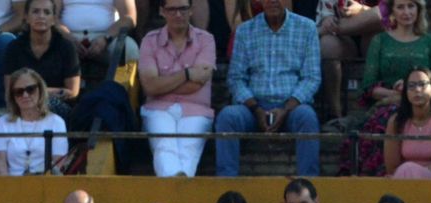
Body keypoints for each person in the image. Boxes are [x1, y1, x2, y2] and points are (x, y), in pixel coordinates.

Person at [336, 0, 431, 176]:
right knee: (388, 119)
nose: (406, 12)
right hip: (387, 103)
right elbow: (368, 87)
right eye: (400, 7)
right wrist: (399, 94)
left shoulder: (430, 41)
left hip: (423, 103)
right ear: (392, 11)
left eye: (411, 6)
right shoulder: (380, 41)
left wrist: (410, 91)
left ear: (419, 10)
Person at [214, 0, 321, 177]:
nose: (273, 1)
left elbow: (311, 78)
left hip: (292, 106)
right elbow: (236, 79)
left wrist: (286, 109)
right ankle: (226, 184)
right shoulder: (245, 31)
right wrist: (256, 109)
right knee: (227, 117)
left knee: (307, 117)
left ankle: (308, 184)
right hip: (252, 107)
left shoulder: (307, 28)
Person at [137, 0, 214, 177]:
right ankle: (179, 185)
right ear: (162, 12)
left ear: (191, 11)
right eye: (172, 10)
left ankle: (172, 187)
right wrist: (186, 74)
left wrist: (162, 84)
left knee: (189, 148)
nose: (178, 14)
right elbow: (149, 86)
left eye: (182, 9)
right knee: (163, 144)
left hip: (196, 109)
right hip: (158, 108)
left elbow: (199, 81)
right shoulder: (149, 41)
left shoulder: (206, 40)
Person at [1, 0, 81, 120]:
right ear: (26, 17)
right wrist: (41, 92)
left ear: (54, 19)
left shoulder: (66, 47)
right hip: (23, 102)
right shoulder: (14, 47)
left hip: (57, 108)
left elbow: (73, 91)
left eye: (47, 12)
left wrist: (36, 92)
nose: (41, 16)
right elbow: (10, 88)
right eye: (35, 11)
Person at [318, 0, 386, 122]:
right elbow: (325, 12)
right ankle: (336, 115)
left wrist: (362, 9)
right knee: (327, 45)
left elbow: (390, 10)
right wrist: (327, 18)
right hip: (345, 40)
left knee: (378, 14)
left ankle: (376, 112)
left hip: (374, 37)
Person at [0, 68, 69, 175]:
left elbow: (59, 161)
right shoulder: (3, 122)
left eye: (30, 89)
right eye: (18, 92)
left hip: (46, 184)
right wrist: (8, 188)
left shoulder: (57, 122)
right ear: (12, 96)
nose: (25, 95)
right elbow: (0, 161)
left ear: (40, 90)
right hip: (12, 184)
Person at [383, 65, 431, 177]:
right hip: (404, 179)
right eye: (411, 86)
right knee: (406, 170)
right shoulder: (396, 122)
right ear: (406, 93)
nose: (417, 90)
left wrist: (420, 171)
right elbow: (392, 169)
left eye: (422, 84)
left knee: (407, 168)